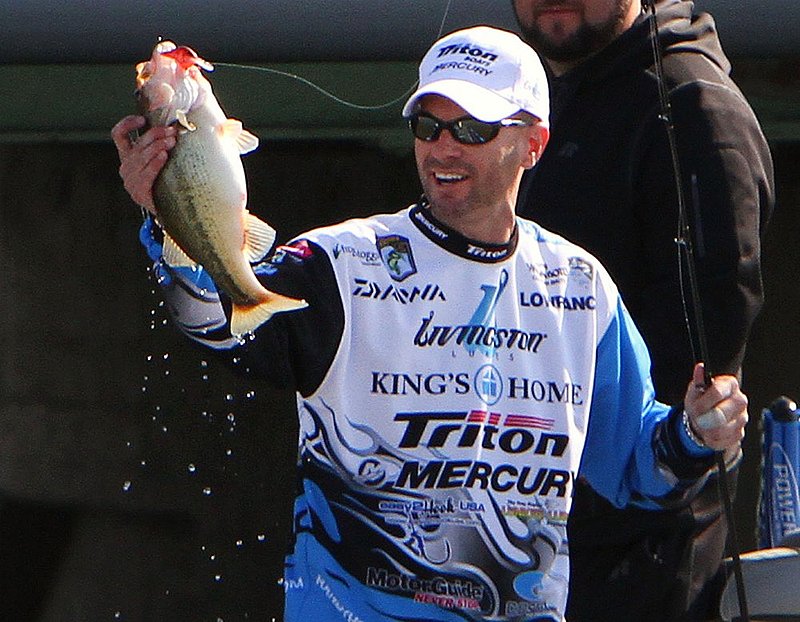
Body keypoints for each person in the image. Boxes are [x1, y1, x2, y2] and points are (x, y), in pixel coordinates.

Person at [112, 25, 749, 622]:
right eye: (428, 125)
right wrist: (170, 221)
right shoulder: (340, 262)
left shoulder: (580, 286)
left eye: (472, 128)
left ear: (532, 144)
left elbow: (638, 468)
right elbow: (219, 326)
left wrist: (697, 433)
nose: (444, 147)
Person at [510, 0, 775, 620]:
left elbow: (702, 377)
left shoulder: (694, 107)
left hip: (637, 558)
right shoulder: (539, 97)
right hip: (523, 541)